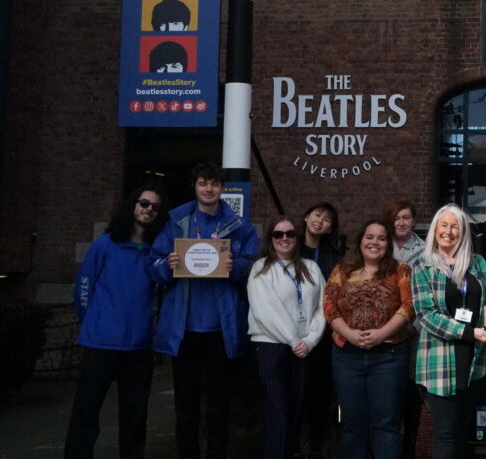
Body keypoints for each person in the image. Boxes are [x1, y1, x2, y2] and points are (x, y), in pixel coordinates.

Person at [149, 162, 259, 459]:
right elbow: (154, 265)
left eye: (214, 183)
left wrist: (237, 267)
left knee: (218, 403)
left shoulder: (239, 226)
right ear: (195, 187)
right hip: (183, 328)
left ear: (222, 188)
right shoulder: (176, 222)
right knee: (185, 403)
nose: (208, 188)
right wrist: (168, 267)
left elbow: (253, 267)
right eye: (202, 183)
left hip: (221, 330)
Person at [64, 186, 165, 459]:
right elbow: (84, 285)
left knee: (135, 415)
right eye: (144, 203)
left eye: (155, 206)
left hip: (138, 348)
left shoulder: (156, 253)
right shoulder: (105, 245)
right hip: (101, 343)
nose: (148, 209)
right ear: (133, 205)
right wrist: (92, 322)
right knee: (87, 410)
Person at [323, 219, 415, 459]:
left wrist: (380, 334)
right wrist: (350, 334)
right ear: (360, 240)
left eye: (382, 238)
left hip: (389, 356)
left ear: (388, 244)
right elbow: (329, 307)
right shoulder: (342, 270)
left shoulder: (401, 269)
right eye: (369, 237)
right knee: (352, 424)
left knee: (386, 424)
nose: (375, 242)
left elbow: (408, 307)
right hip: (347, 357)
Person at [412, 205, 486, 459]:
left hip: (474, 362)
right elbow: (427, 315)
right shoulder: (423, 265)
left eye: (455, 226)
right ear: (435, 230)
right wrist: (471, 333)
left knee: (461, 433)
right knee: (445, 435)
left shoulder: (477, 262)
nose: (449, 231)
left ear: (464, 231)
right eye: (443, 225)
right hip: (439, 362)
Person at [247, 215, 326, 459]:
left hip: (303, 348)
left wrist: (311, 340)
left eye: (290, 233)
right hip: (271, 347)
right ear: (270, 239)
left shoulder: (311, 267)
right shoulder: (261, 268)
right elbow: (266, 311)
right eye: (278, 234)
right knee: (277, 412)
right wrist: (293, 340)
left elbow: (324, 307)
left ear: (297, 237)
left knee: (295, 411)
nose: (284, 238)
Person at [300, 202, 342, 459]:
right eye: (316, 215)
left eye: (327, 219)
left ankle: (317, 447)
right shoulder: (289, 247)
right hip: (293, 333)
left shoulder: (333, 256)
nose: (319, 221)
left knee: (320, 394)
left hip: (325, 335)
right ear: (305, 217)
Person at [384, 199, 425, 459]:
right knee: (387, 399)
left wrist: (414, 326)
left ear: (413, 220)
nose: (401, 222)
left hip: (412, 334)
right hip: (382, 335)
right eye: (397, 218)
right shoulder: (379, 244)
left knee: (411, 396)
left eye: (406, 218)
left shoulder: (424, 251)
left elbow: (426, 294)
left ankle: (409, 449)